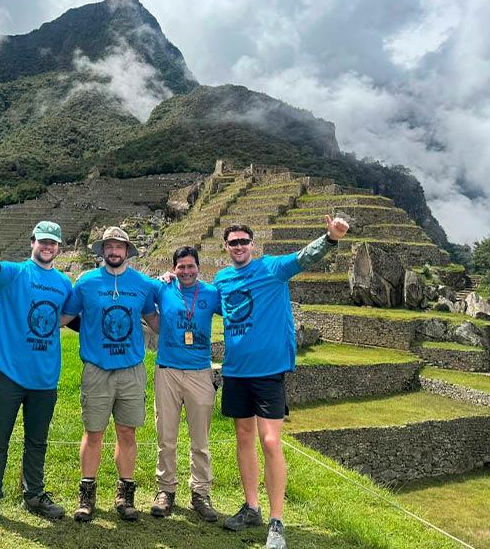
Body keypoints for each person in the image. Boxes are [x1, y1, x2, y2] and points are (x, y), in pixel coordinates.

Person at [215, 216, 348, 549]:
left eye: (244, 241)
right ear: (226, 247)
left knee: (271, 442)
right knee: (243, 437)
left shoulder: (272, 269)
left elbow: (304, 257)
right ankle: (251, 507)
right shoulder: (222, 279)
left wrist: (330, 238)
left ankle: (276, 521)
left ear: (252, 244)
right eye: (233, 242)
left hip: (268, 371)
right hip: (235, 371)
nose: (239, 247)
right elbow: (207, 303)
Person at [0, 216, 72, 533]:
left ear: (59, 247)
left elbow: (74, 318)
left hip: (44, 378)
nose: (47, 246)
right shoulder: (15, 274)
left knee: (37, 442)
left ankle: (34, 496)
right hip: (7, 373)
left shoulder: (63, 284)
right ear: (32, 242)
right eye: (42, 240)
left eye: (53, 242)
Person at [61, 226, 159, 522]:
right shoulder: (86, 282)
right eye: (109, 247)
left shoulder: (142, 284)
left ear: (128, 251)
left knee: (127, 432)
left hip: (131, 370)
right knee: (93, 433)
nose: (114, 252)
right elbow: (64, 317)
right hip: (97, 370)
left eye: (120, 247)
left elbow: (156, 321)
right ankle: (87, 496)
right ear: (102, 251)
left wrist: (188, 339)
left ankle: (125, 495)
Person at [149, 245, 223, 522]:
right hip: (167, 371)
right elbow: (142, 292)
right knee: (165, 436)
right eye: (181, 267)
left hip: (200, 373)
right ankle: (165, 490)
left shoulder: (211, 293)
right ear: (174, 269)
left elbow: (237, 311)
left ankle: (200, 494)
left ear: (198, 268)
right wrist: (159, 276)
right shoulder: (163, 289)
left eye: (191, 266)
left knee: (200, 440)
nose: (186, 271)